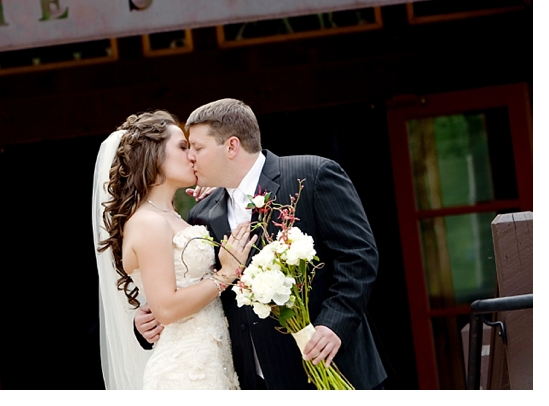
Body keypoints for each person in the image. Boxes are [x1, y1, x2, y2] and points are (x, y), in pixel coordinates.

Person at [135, 98, 387, 390]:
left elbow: (358, 256)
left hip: (334, 366)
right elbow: (203, 287)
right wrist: (150, 321)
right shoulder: (202, 214)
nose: (190, 156)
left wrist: (334, 325)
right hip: (259, 381)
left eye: (198, 148)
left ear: (231, 146)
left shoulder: (313, 175)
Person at [92, 110, 255, 389]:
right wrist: (224, 275)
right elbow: (165, 307)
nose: (192, 155)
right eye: (182, 147)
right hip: (186, 371)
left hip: (215, 359)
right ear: (153, 155)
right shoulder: (148, 222)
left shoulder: (177, 217)